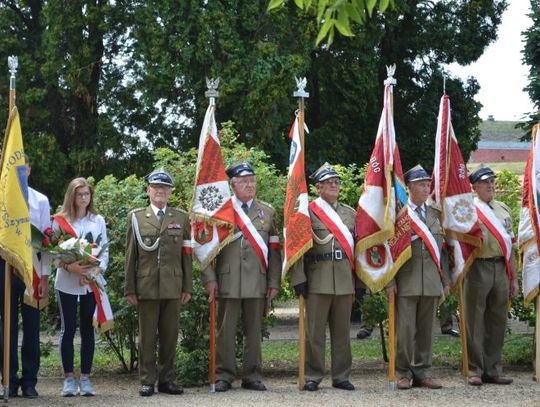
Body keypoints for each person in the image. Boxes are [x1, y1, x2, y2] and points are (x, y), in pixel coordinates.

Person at [201, 162, 281, 392]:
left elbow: (274, 251)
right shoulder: (221, 212)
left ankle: (252, 375)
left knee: (254, 331)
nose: (249, 185)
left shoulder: (268, 211)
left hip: (258, 280)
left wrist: (274, 281)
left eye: (252, 181)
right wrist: (210, 278)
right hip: (227, 280)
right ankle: (224, 375)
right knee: (225, 331)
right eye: (244, 181)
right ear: (232, 185)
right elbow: (205, 247)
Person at [124, 169, 192, 397]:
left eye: (164, 188)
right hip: (146, 286)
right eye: (156, 187)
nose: (160, 191)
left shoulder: (181, 217)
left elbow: (186, 256)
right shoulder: (136, 217)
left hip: (173, 286)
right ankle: (146, 380)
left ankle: (167, 380)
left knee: (170, 336)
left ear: (170, 192)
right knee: (147, 337)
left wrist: (187, 286)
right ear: (148, 190)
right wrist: (130, 288)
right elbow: (130, 256)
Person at [290, 163, 357, 392]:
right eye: (329, 182)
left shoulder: (350, 213)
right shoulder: (307, 212)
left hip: (344, 279)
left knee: (342, 334)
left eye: (337, 182)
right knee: (314, 334)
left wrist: (359, 282)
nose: (334, 185)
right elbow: (296, 247)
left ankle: (341, 376)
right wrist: (298, 277)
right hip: (317, 279)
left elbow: (359, 249)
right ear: (318, 187)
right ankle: (312, 375)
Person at [386, 165, 450, 390]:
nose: (426, 188)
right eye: (422, 184)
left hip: (431, 281)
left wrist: (445, 280)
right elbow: (389, 252)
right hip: (406, 281)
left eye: (428, 184)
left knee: (425, 331)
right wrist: (390, 281)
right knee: (404, 331)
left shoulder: (435, 215)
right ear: (410, 187)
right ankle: (403, 372)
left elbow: (442, 252)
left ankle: (423, 371)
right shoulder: (399, 215)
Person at [53, 177, 109, 397]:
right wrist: (70, 267)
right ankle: (68, 379)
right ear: (72, 195)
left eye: (87, 194)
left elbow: (104, 252)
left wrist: (95, 271)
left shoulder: (98, 220)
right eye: (79, 194)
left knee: (88, 330)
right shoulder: (60, 221)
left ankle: (85, 379)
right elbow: (52, 255)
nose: (84, 198)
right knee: (67, 330)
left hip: (90, 283)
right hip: (67, 282)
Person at [0, 155, 50, 398]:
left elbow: (46, 242)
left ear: (29, 170)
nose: (20, 172)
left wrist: (46, 277)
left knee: (31, 327)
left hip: (32, 269)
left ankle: (30, 380)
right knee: (6, 326)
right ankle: (8, 378)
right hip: (5, 268)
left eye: (24, 168)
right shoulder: (1, 199)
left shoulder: (41, 200)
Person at [466, 166, 518, 386]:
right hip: (478, 267)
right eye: (485, 182)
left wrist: (514, 279)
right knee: (475, 320)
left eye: (492, 182)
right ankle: (475, 369)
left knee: (498, 320)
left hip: (501, 268)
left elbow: (511, 247)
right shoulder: (469, 210)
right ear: (475, 186)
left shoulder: (503, 209)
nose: (490, 186)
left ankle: (494, 368)